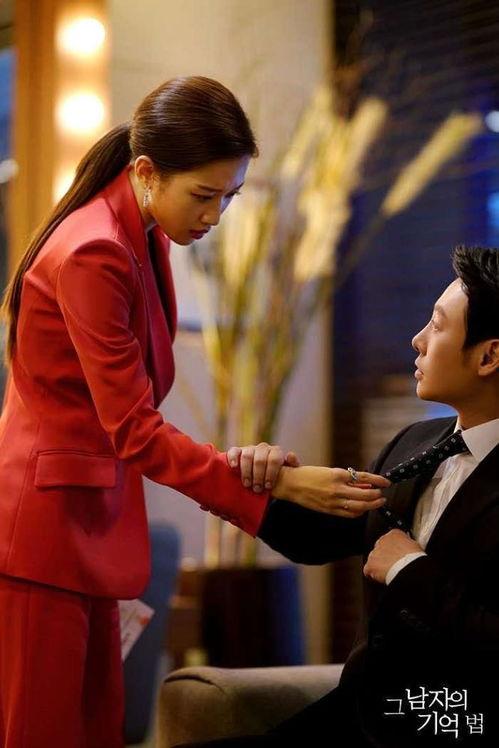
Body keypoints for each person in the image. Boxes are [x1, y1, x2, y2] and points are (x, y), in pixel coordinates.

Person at [0, 76, 389, 748]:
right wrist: (277, 486)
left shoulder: (139, 231)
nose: (215, 216)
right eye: (204, 195)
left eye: (229, 197)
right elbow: (134, 430)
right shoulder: (95, 249)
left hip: (82, 529)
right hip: (45, 538)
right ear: (146, 172)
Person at [180, 244, 499, 747]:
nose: (417, 339)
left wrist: (408, 568)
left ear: (489, 356)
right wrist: (254, 479)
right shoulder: (416, 442)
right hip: (361, 713)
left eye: (437, 326)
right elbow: (317, 539)